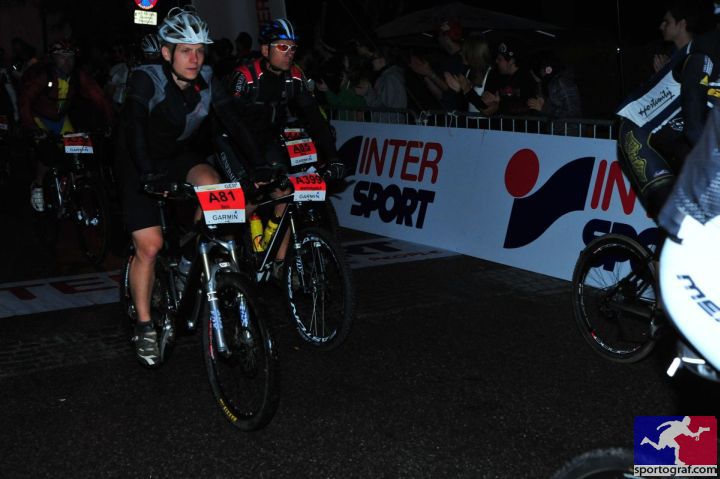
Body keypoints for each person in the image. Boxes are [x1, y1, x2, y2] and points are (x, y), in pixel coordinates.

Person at [119, 6, 264, 367]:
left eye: (200, 50)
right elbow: (134, 126)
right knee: (150, 246)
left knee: (215, 189)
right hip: (136, 160)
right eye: (185, 50)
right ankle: (144, 325)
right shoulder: (146, 78)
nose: (194, 58)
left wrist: (261, 165)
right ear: (167, 53)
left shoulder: (208, 78)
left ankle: (189, 260)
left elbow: (233, 121)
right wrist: (147, 174)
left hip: (176, 155)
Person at [224, 18, 345, 276]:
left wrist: (334, 157)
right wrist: (256, 168)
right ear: (265, 50)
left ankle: (278, 261)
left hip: (265, 141)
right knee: (249, 197)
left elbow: (315, 119)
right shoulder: (245, 77)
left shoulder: (295, 77)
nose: (289, 53)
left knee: (285, 193)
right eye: (282, 47)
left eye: (293, 48)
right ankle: (225, 252)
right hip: (233, 142)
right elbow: (233, 124)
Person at [615, 1, 715, 221]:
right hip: (638, 133)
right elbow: (694, 125)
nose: (661, 26)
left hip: (672, 134)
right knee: (677, 219)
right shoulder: (700, 57)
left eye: (666, 21)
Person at [20, 39, 113, 212]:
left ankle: (73, 189)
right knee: (47, 153)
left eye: (70, 57)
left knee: (78, 152)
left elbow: (99, 97)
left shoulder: (78, 76)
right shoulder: (43, 75)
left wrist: (109, 122)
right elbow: (25, 100)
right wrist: (32, 127)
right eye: (62, 57)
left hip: (62, 119)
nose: (67, 61)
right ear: (53, 58)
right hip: (40, 118)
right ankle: (38, 186)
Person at [408, 19, 465, 110]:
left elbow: (454, 91)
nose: (438, 39)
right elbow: (443, 95)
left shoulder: (461, 59)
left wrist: (430, 73)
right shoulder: (452, 59)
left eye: (439, 35)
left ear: (446, 38)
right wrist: (425, 74)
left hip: (459, 115)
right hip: (450, 113)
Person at [443, 33, 501, 116]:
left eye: (464, 51)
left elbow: (486, 109)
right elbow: (463, 107)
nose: (461, 54)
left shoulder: (492, 74)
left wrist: (466, 89)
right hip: (470, 123)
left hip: (484, 124)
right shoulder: (468, 71)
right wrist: (458, 91)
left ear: (472, 54)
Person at [527, 51, 582, 134]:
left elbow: (572, 112)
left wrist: (544, 108)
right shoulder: (549, 84)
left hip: (569, 133)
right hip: (557, 132)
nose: (532, 76)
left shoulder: (562, 82)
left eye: (534, 72)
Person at [489, 40, 537, 116]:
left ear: (511, 61)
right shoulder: (501, 78)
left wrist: (499, 105)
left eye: (500, 59)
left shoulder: (526, 80)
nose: (496, 61)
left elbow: (527, 108)